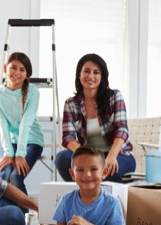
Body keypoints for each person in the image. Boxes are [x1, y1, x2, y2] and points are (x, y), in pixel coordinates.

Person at [55, 53, 136, 182]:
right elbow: (68, 138)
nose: (91, 76)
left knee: (110, 170)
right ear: (79, 75)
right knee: (62, 159)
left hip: (117, 155)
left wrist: (111, 156)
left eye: (96, 72)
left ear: (102, 76)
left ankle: (97, 196)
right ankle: (85, 194)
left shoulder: (115, 97)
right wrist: (87, 156)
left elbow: (122, 130)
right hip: (89, 157)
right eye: (86, 71)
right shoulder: (71, 104)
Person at [0, 52, 44, 214]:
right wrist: (9, 152)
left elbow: (26, 124)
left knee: (15, 177)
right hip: (11, 144)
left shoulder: (33, 92)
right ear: (5, 68)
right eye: (13, 68)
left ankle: (27, 221)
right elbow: (2, 124)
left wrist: (20, 153)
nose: (17, 73)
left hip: (32, 141)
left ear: (27, 75)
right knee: (1, 178)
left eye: (22, 70)